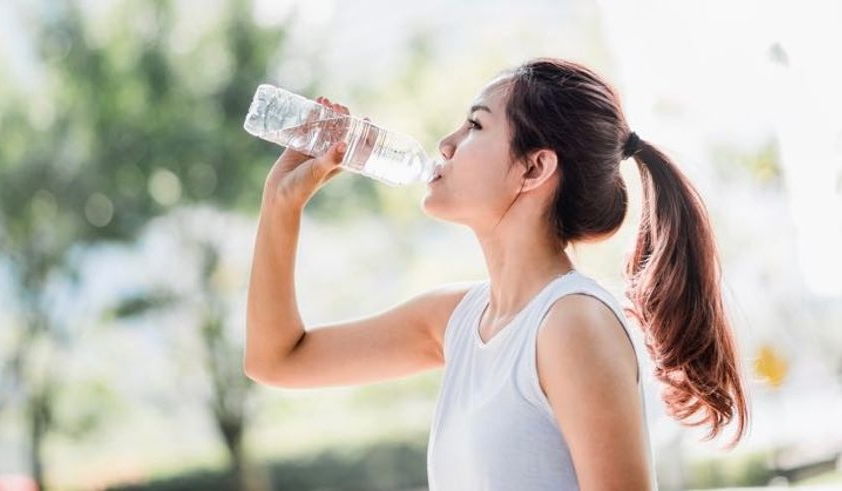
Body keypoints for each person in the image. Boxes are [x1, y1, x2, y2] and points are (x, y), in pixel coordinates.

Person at [244, 57, 749, 490]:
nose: (446, 144)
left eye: (475, 126)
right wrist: (281, 205)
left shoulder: (572, 324)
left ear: (534, 168)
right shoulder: (457, 320)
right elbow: (277, 359)